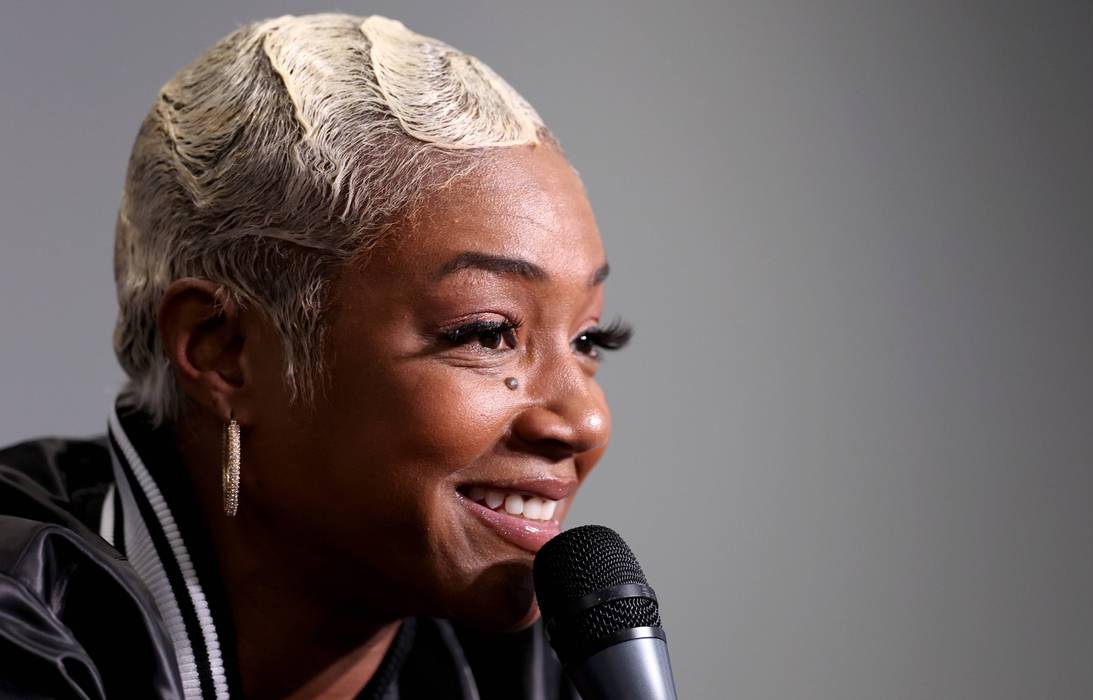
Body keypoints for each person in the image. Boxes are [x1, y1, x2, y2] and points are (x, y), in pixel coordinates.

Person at [0, 12, 631, 699]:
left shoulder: (540, 667)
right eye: (486, 332)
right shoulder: (20, 616)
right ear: (226, 352)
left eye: (587, 339)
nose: (584, 420)